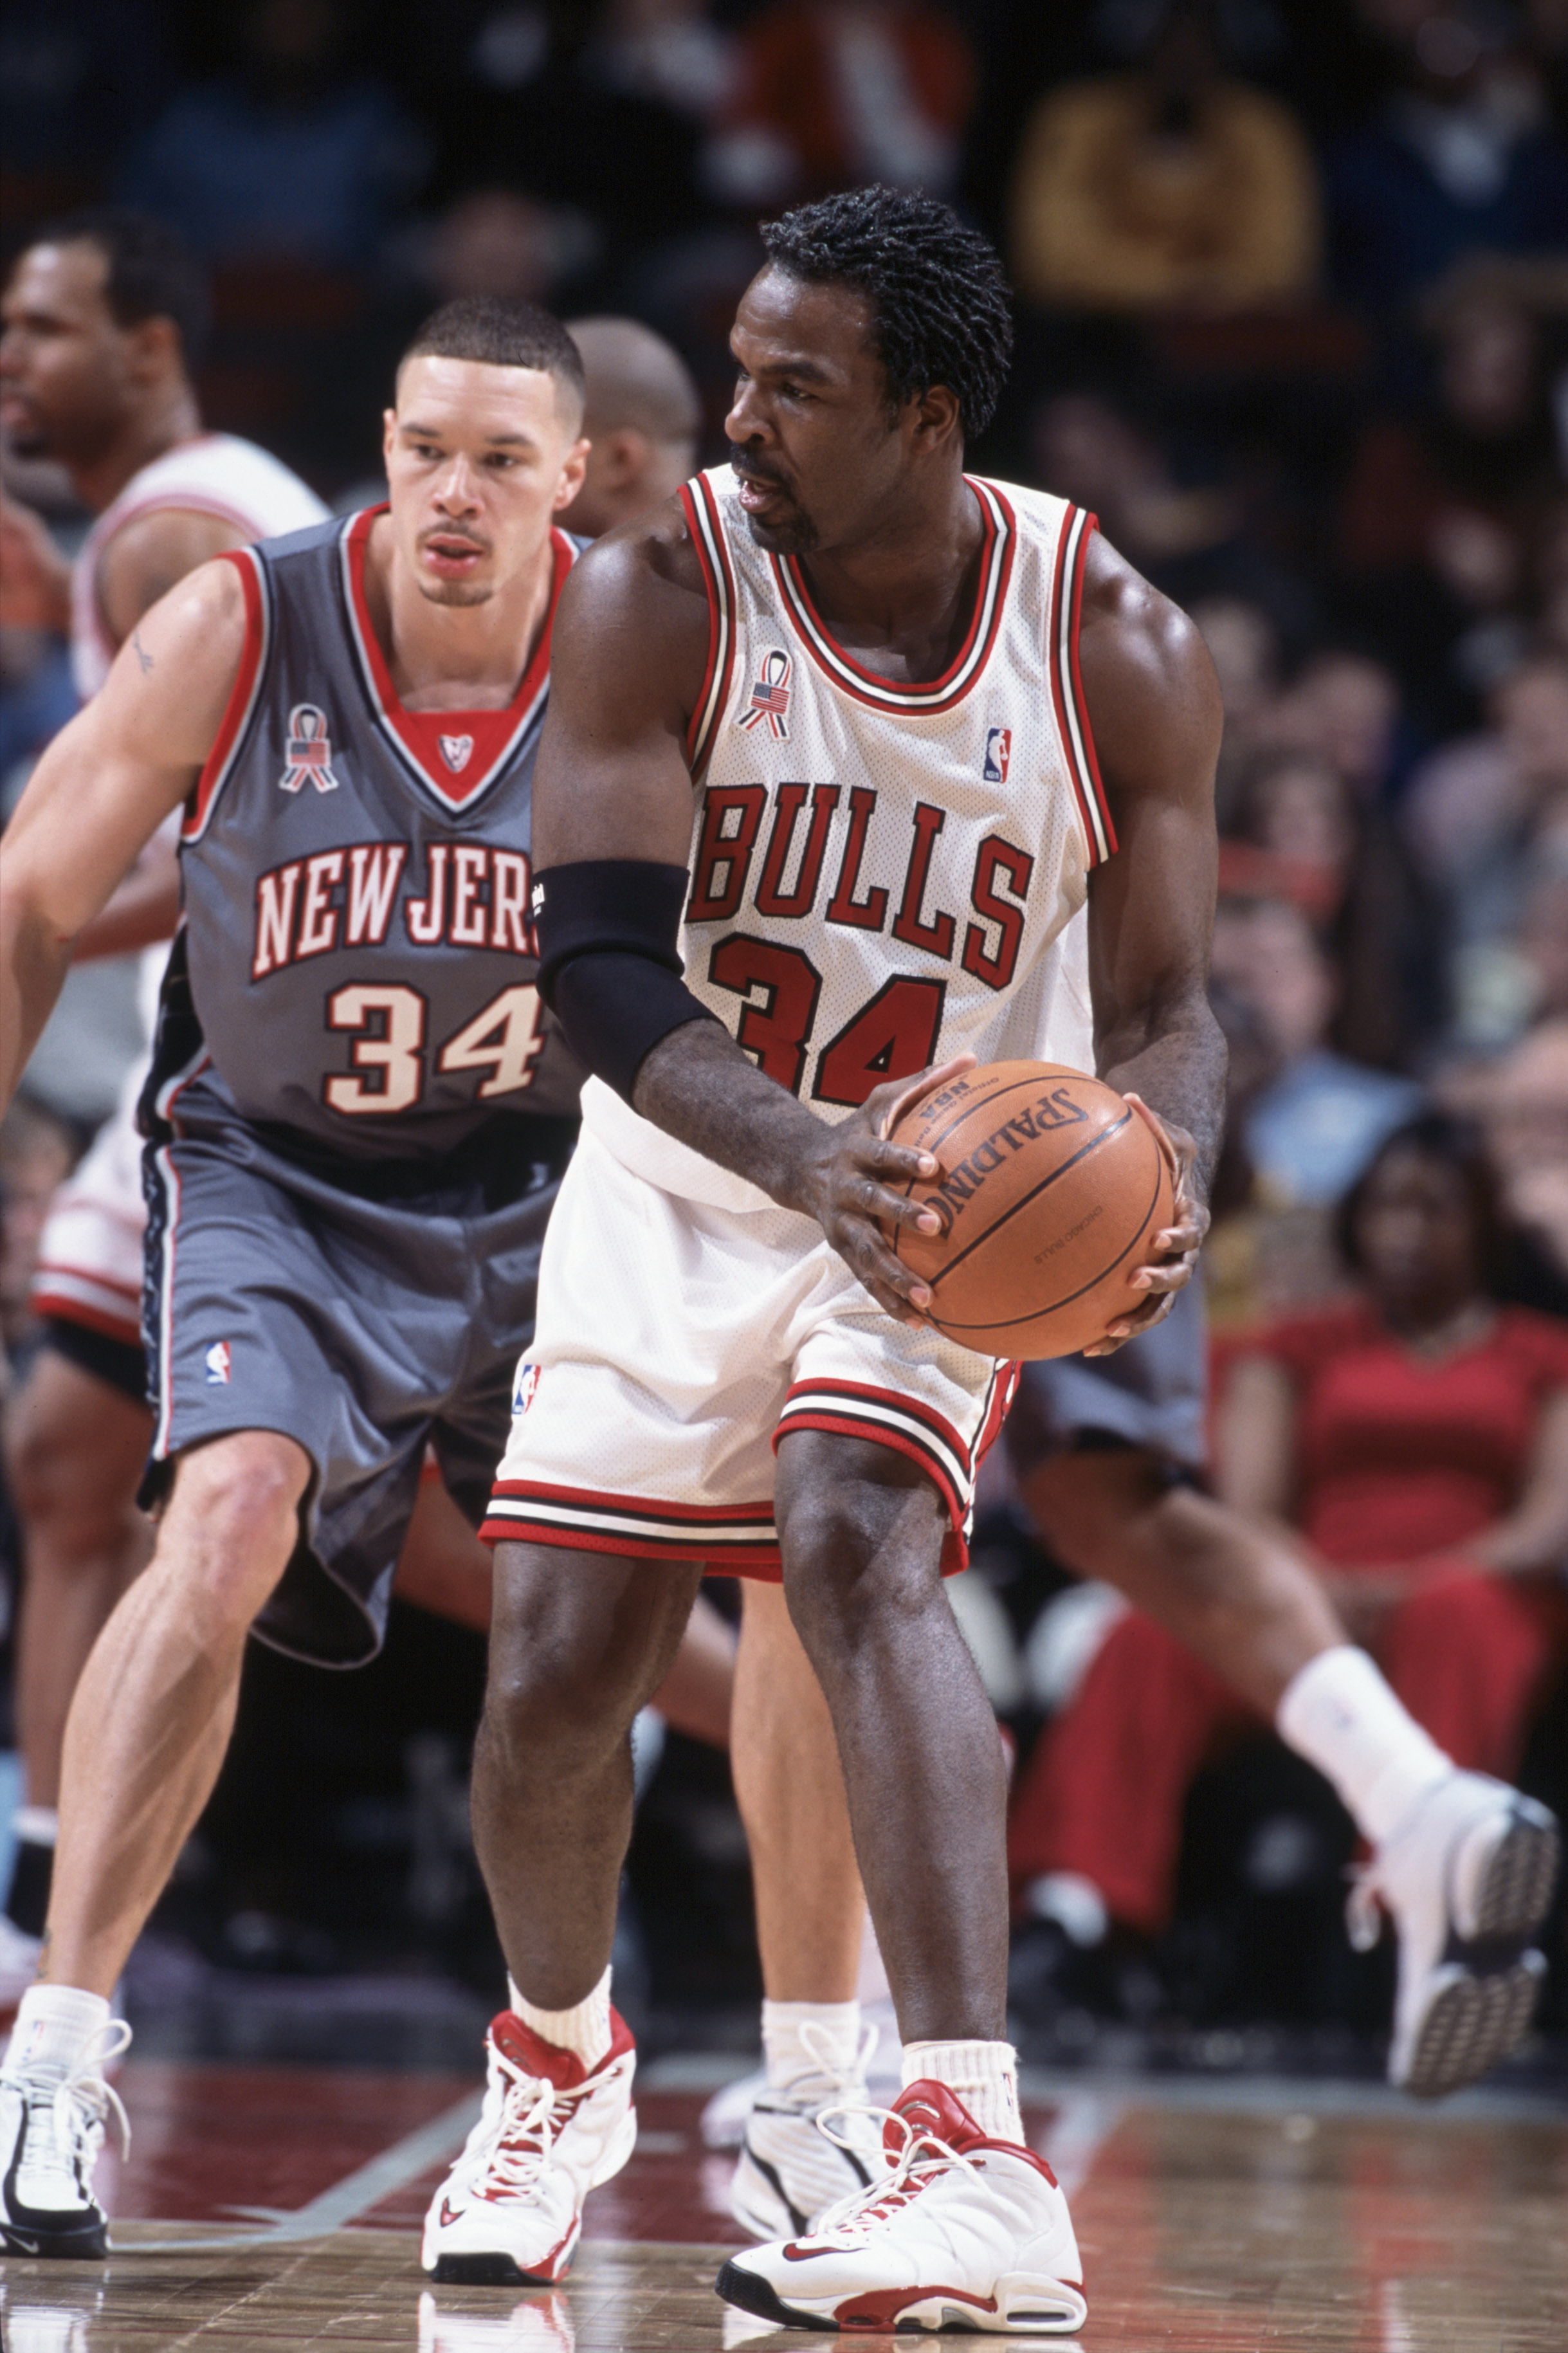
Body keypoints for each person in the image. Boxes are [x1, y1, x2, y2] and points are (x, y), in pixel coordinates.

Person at [417, 183, 1230, 2334]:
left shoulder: (1113, 639)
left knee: (857, 1536)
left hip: (954, 1196)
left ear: (927, 415)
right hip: (691, 1158)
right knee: (553, 1673)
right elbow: (588, 956)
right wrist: (796, 1148)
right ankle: (555, 2063)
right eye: (739, 367)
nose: (737, 418)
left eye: (797, 387)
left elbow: (1162, 1003)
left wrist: (1166, 1165)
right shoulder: (657, 585)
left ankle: (961, 2150)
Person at [0, 293, 594, 2262]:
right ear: (386, 443)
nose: (451, 491)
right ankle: (56, 2053)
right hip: (279, 1171)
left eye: (500, 459)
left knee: (616, 1615)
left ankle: (776, 2073)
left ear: (569, 481)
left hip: (555, 1183)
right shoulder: (245, 619)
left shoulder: (643, 654)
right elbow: (30, 891)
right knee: (225, 1513)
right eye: (424, 447)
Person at [0, 208, 329, 2008]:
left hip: (246, 1073)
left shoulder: (171, 536)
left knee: (438, 1563)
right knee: (70, 1463)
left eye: (42, 327)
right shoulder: (194, 507)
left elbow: (244, 850)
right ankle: (50, 1901)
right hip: (255, 1055)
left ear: (150, 345)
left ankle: (62, 1926)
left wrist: (25, 903)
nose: (9, 360)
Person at [1008, 1114, 1567, 2058]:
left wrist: (1419, 1578)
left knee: (1453, 1618)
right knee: (1148, 1635)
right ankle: (1074, 1918)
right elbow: (1248, 1510)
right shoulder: (1298, 1344)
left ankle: (1410, 1917)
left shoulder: (1538, 1349)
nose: (1404, 1229)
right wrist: (1321, 1583)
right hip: (1321, 1590)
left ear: (1483, 1226)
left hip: (1475, 1587)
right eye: (1387, 1204)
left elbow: (1548, 1524)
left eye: (1433, 1209)